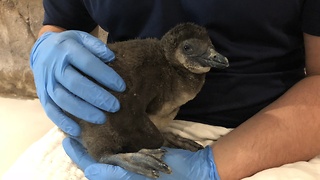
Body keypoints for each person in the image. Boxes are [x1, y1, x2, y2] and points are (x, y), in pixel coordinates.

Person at [30, 0, 320, 179]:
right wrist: (47, 51)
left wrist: (209, 169)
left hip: (275, 132)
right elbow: (61, 23)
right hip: (117, 121)